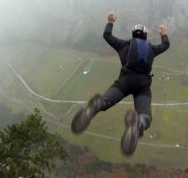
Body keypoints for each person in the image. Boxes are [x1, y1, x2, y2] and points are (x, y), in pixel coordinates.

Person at [71, 12, 170, 156]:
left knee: (105, 102)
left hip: (124, 82)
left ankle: (96, 106)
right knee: (146, 116)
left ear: (133, 35)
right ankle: (139, 122)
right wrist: (163, 33)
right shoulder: (152, 49)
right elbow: (166, 45)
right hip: (142, 87)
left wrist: (110, 22)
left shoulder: (124, 45)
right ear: (145, 36)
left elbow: (107, 35)